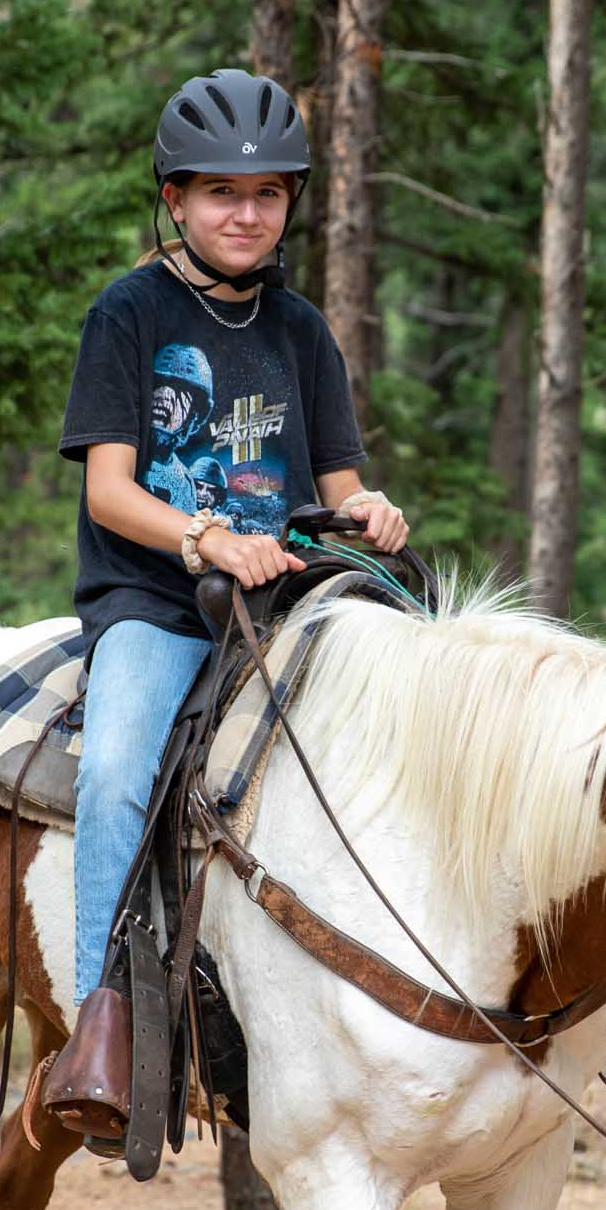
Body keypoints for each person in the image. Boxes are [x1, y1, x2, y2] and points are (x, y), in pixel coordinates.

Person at [42, 67, 409, 1142]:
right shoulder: (129, 313)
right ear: (176, 200)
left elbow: (337, 486)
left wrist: (369, 511)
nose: (244, 215)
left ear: (290, 203)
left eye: (265, 195)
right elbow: (110, 491)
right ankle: (103, 1028)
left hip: (286, 605)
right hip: (158, 603)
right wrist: (205, 537)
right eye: (219, 193)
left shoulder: (300, 330)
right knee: (116, 770)